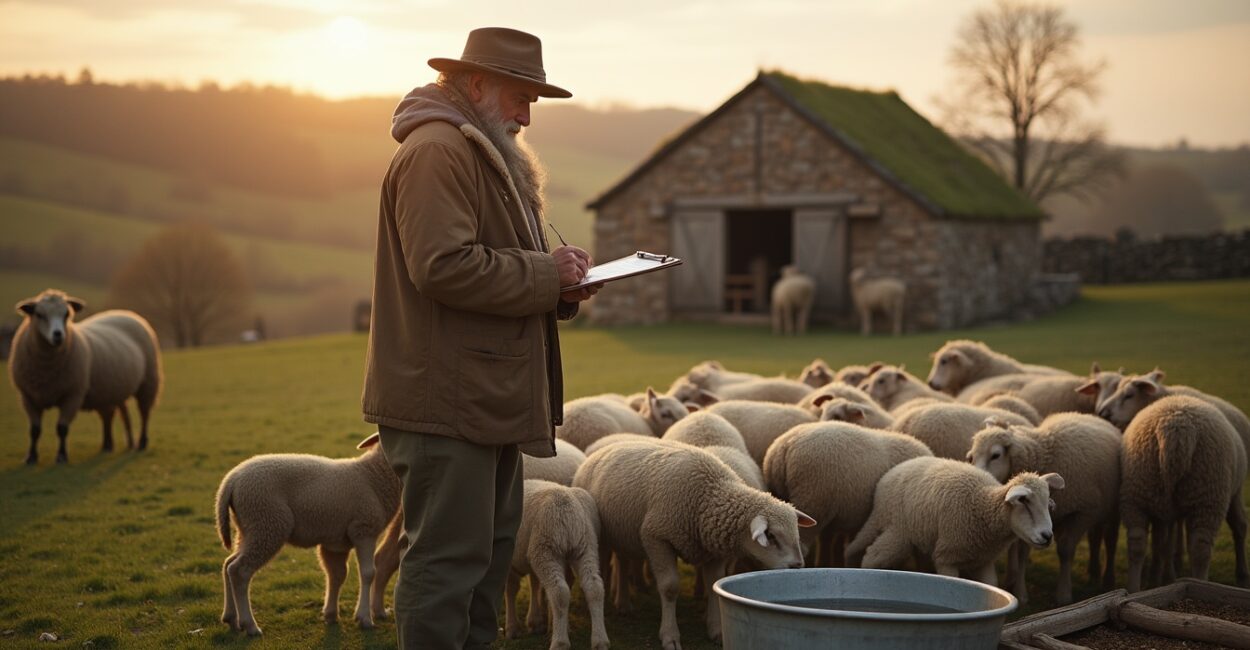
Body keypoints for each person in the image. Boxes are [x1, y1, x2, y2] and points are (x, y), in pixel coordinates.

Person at [360, 27, 598, 649]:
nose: (526, 115)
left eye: (533, 102)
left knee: (487, 561)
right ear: (476, 84)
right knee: (446, 566)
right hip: (445, 401)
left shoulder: (477, 147)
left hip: (483, 397)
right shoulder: (439, 150)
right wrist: (546, 274)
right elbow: (442, 266)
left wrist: (560, 284)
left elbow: (487, 259)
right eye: (520, 97)